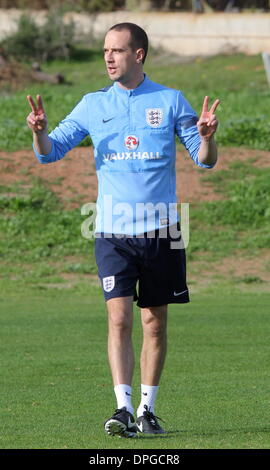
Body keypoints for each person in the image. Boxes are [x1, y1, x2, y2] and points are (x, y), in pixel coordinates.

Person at [26, 22, 219, 438]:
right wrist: (40, 133)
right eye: (105, 51)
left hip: (163, 229)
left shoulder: (169, 101)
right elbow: (50, 153)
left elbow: (204, 159)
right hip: (111, 229)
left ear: (139, 55)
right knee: (119, 320)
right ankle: (122, 408)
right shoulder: (93, 104)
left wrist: (206, 138)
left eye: (117, 50)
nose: (109, 57)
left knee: (154, 323)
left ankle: (149, 410)